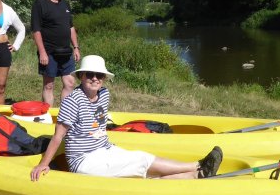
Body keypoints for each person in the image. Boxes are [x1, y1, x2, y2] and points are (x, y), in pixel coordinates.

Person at [30, 55, 223, 181]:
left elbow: (98, 125)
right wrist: (43, 164)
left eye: (100, 75)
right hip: (84, 160)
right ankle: (198, 165)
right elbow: (58, 136)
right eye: (90, 74)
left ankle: (196, 175)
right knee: (140, 159)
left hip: (104, 149)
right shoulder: (73, 100)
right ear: (81, 76)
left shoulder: (104, 94)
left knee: (142, 164)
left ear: (104, 78)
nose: (95, 79)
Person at [30, 0, 81, 106]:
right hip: (49, 52)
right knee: (49, 86)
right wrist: (42, 52)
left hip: (66, 51)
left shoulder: (65, 3)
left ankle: (64, 116)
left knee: (70, 83)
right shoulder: (40, 3)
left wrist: (76, 47)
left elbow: (70, 27)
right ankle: (47, 117)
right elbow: (36, 30)